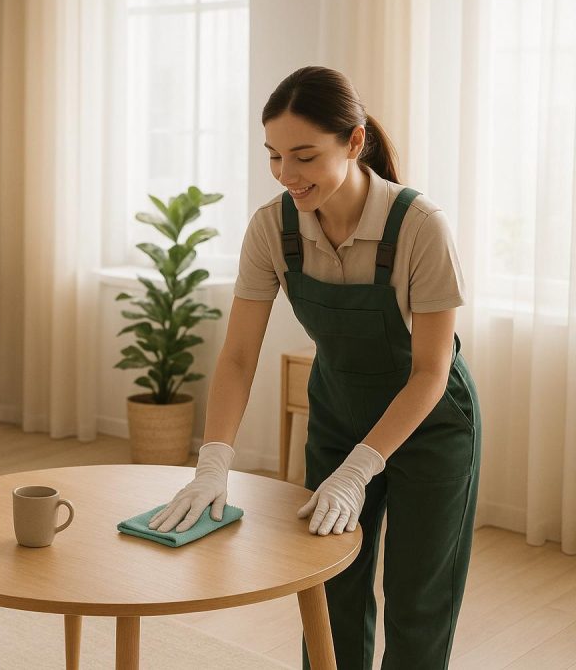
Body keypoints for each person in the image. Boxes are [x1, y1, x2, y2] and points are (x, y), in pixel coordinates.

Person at [148, 66, 481, 670]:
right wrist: (213, 460)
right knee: (331, 591)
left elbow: (431, 371)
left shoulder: (419, 227)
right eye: (274, 156)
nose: (286, 175)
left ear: (355, 142)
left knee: (417, 600)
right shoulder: (272, 228)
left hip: (429, 426)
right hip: (338, 414)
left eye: (304, 156)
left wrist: (361, 469)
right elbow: (239, 354)